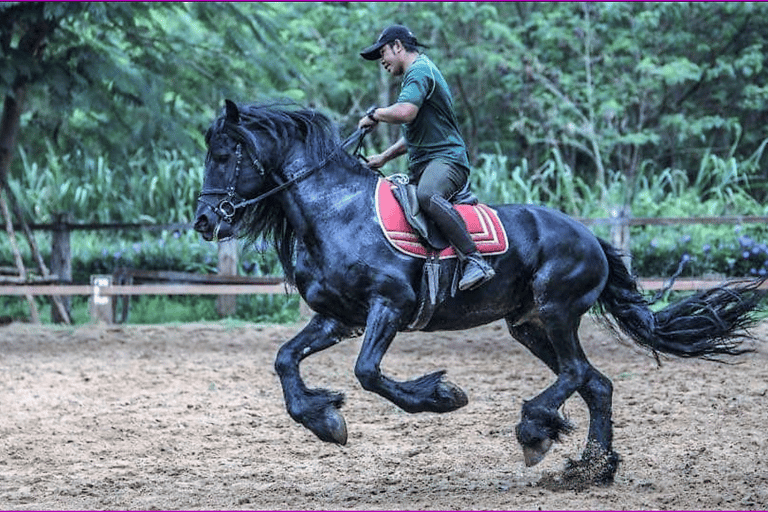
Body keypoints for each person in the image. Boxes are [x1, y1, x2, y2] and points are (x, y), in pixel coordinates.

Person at [358, 24, 495, 291]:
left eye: (383, 52)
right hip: (428, 162)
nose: (382, 61)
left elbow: (406, 112)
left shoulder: (419, 71)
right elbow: (413, 134)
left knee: (428, 195)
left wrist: (376, 114)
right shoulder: (416, 74)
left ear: (398, 46)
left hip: (447, 160)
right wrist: (384, 158)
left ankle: (475, 260)